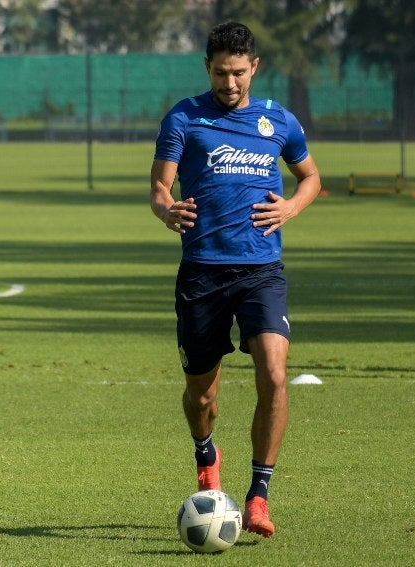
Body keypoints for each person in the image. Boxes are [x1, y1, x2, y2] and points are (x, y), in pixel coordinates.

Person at [149, 21, 321, 538]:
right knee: (201, 395)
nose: (230, 83)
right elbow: (160, 184)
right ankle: (207, 454)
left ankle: (259, 495)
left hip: (261, 270)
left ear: (255, 68)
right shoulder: (185, 116)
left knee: (273, 373)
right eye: (221, 73)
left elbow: (311, 177)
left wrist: (290, 205)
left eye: (239, 73)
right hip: (202, 271)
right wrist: (166, 209)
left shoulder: (279, 121)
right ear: (208, 67)